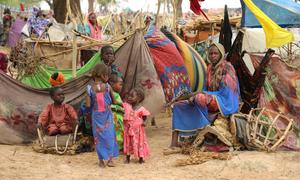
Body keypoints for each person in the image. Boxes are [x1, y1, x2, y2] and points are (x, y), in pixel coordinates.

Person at [170, 42, 240, 148]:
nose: (212, 56)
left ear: (221, 54)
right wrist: (193, 96)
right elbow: (204, 88)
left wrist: (200, 94)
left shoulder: (227, 67)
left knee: (200, 98)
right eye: (211, 53)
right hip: (211, 97)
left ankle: (205, 130)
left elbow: (226, 92)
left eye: (215, 53)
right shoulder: (209, 68)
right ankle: (174, 142)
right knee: (178, 105)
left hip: (225, 101)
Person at [86, 63, 119, 167]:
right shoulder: (108, 87)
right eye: (107, 75)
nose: (108, 77)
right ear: (102, 75)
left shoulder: (89, 89)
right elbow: (114, 101)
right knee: (109, 136)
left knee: (98, 138)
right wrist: (123, 104)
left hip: (96, 116)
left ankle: (101, 161)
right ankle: (110, 160)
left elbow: (88, 105)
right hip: (107, 116)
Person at [123, 88, 150, 164]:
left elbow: (145, 118)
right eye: (129, 96)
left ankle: (141, 157)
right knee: (129, 143)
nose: (129, 97)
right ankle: (128, 157)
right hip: (129, 130)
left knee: (139, 144)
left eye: (132, 96)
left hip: (138, 132)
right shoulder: (127, 107)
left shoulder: (141, 109)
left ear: (138, 98)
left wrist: (144, 122)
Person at [109, 73, 124, 150]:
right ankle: (118, 147)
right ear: (111, 84)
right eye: (120, 84)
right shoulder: (113, 95)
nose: (121, 87)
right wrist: (122, 108)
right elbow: (111, 106)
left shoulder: (116, 94)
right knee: (117, 132)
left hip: (116, 118)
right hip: (115, 118)